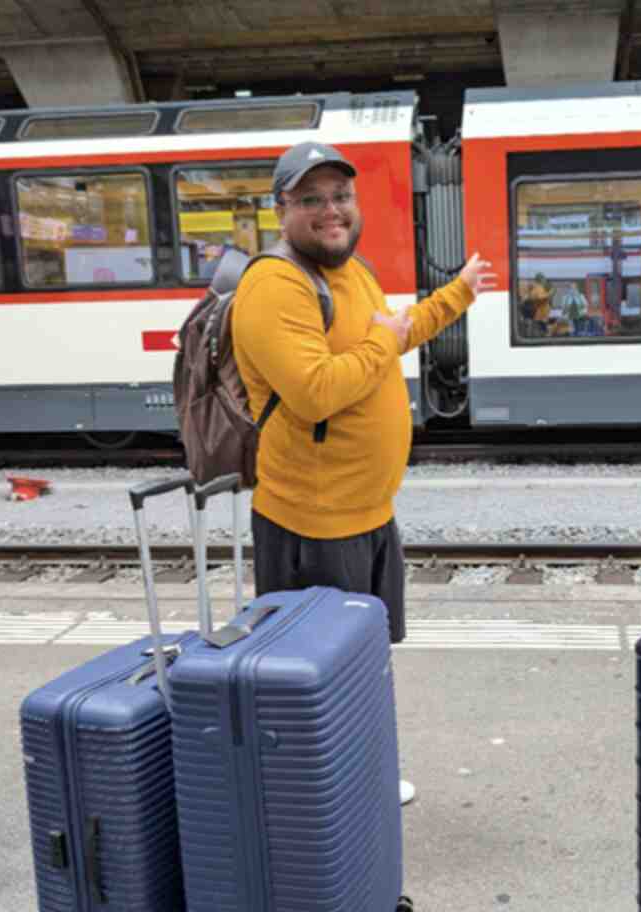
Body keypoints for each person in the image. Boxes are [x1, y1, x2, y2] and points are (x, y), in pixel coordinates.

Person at [230, 141, 496, 806]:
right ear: (281, 209)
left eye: (340, 196)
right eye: (311, 199)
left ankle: (361, 779)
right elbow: (316, 391)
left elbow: (396, 332)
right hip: (312, 522)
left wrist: (457, 295)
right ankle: (327, 799)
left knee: (364, 662)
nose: (331, 210)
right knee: (321, 673)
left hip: (368, 514)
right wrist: (382, 337)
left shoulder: (352, 271)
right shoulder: (274, 285)